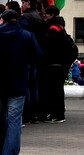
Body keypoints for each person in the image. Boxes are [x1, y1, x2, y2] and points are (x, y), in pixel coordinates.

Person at [0, 9, 42, 153]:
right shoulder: (27, 36)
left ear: (2, 20)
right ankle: (10, 152)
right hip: (18, 84)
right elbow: (38, 56)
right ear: (17, 20)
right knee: (14, 121)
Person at [19, 0, 45, 126]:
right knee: (35, 85)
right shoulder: (40, 17)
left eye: (23, 2)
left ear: (28, 2)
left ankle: (27, 113)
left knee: (27, 84)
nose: (22, 5)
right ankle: (35, 113)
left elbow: (22, 35)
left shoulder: (25, 18)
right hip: (37, 53)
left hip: (27, 54)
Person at [40, 5, 70, 123]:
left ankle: (57, 114)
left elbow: (50, 47)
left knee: (54, 90)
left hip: (54, 63)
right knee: (58, 89)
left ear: (52, 15)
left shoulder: (53, 29)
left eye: (46, 14)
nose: (44, 16)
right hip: (61, 64)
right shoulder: (60, 27)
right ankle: (58, 113)